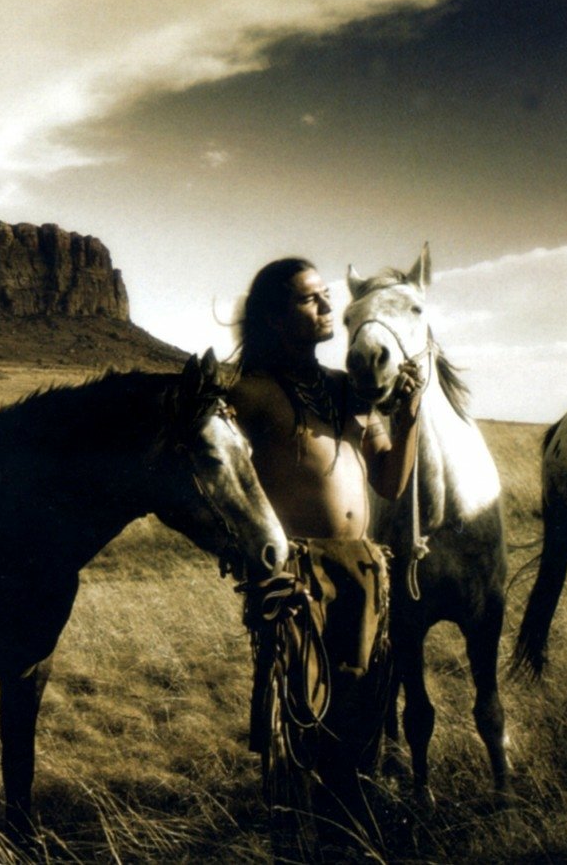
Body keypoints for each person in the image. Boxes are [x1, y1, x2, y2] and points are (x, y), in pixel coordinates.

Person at [226, 257, 424, 849]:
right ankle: (295, 839)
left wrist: (408, 416)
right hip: (299, 574)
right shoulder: (252, 392)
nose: (325, 307)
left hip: (364, 567)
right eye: (308, 300)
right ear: (271, 318)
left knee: (361, 716)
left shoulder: (346, 391)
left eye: (325, 295)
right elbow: (220, 474)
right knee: (302, 715)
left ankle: (346, 834)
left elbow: (388, 482)